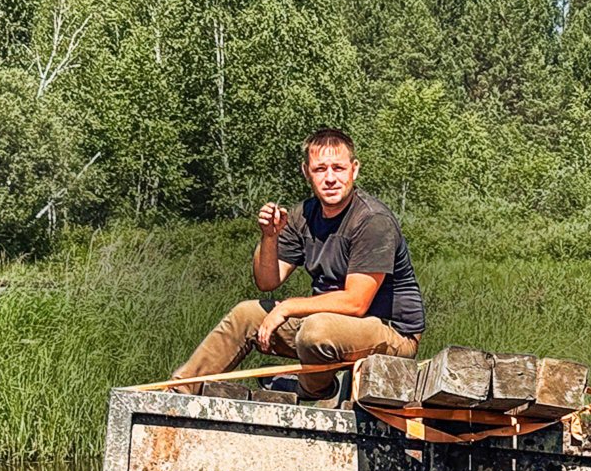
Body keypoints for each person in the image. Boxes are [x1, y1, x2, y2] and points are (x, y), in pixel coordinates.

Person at [170, 127, 425, 402]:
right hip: (331, 327)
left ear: (354, 170)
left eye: (338, 168)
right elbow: (267, 281)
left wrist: (288, 307)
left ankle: (312, 390)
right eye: (320, 169)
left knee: (315, 330)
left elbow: (356, 302)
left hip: (391, 333)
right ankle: (177, 392)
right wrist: (270, 237)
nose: (330, 178)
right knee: (246, 315)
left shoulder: (372, 220)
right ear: (307, 172)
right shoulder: (302, 215)